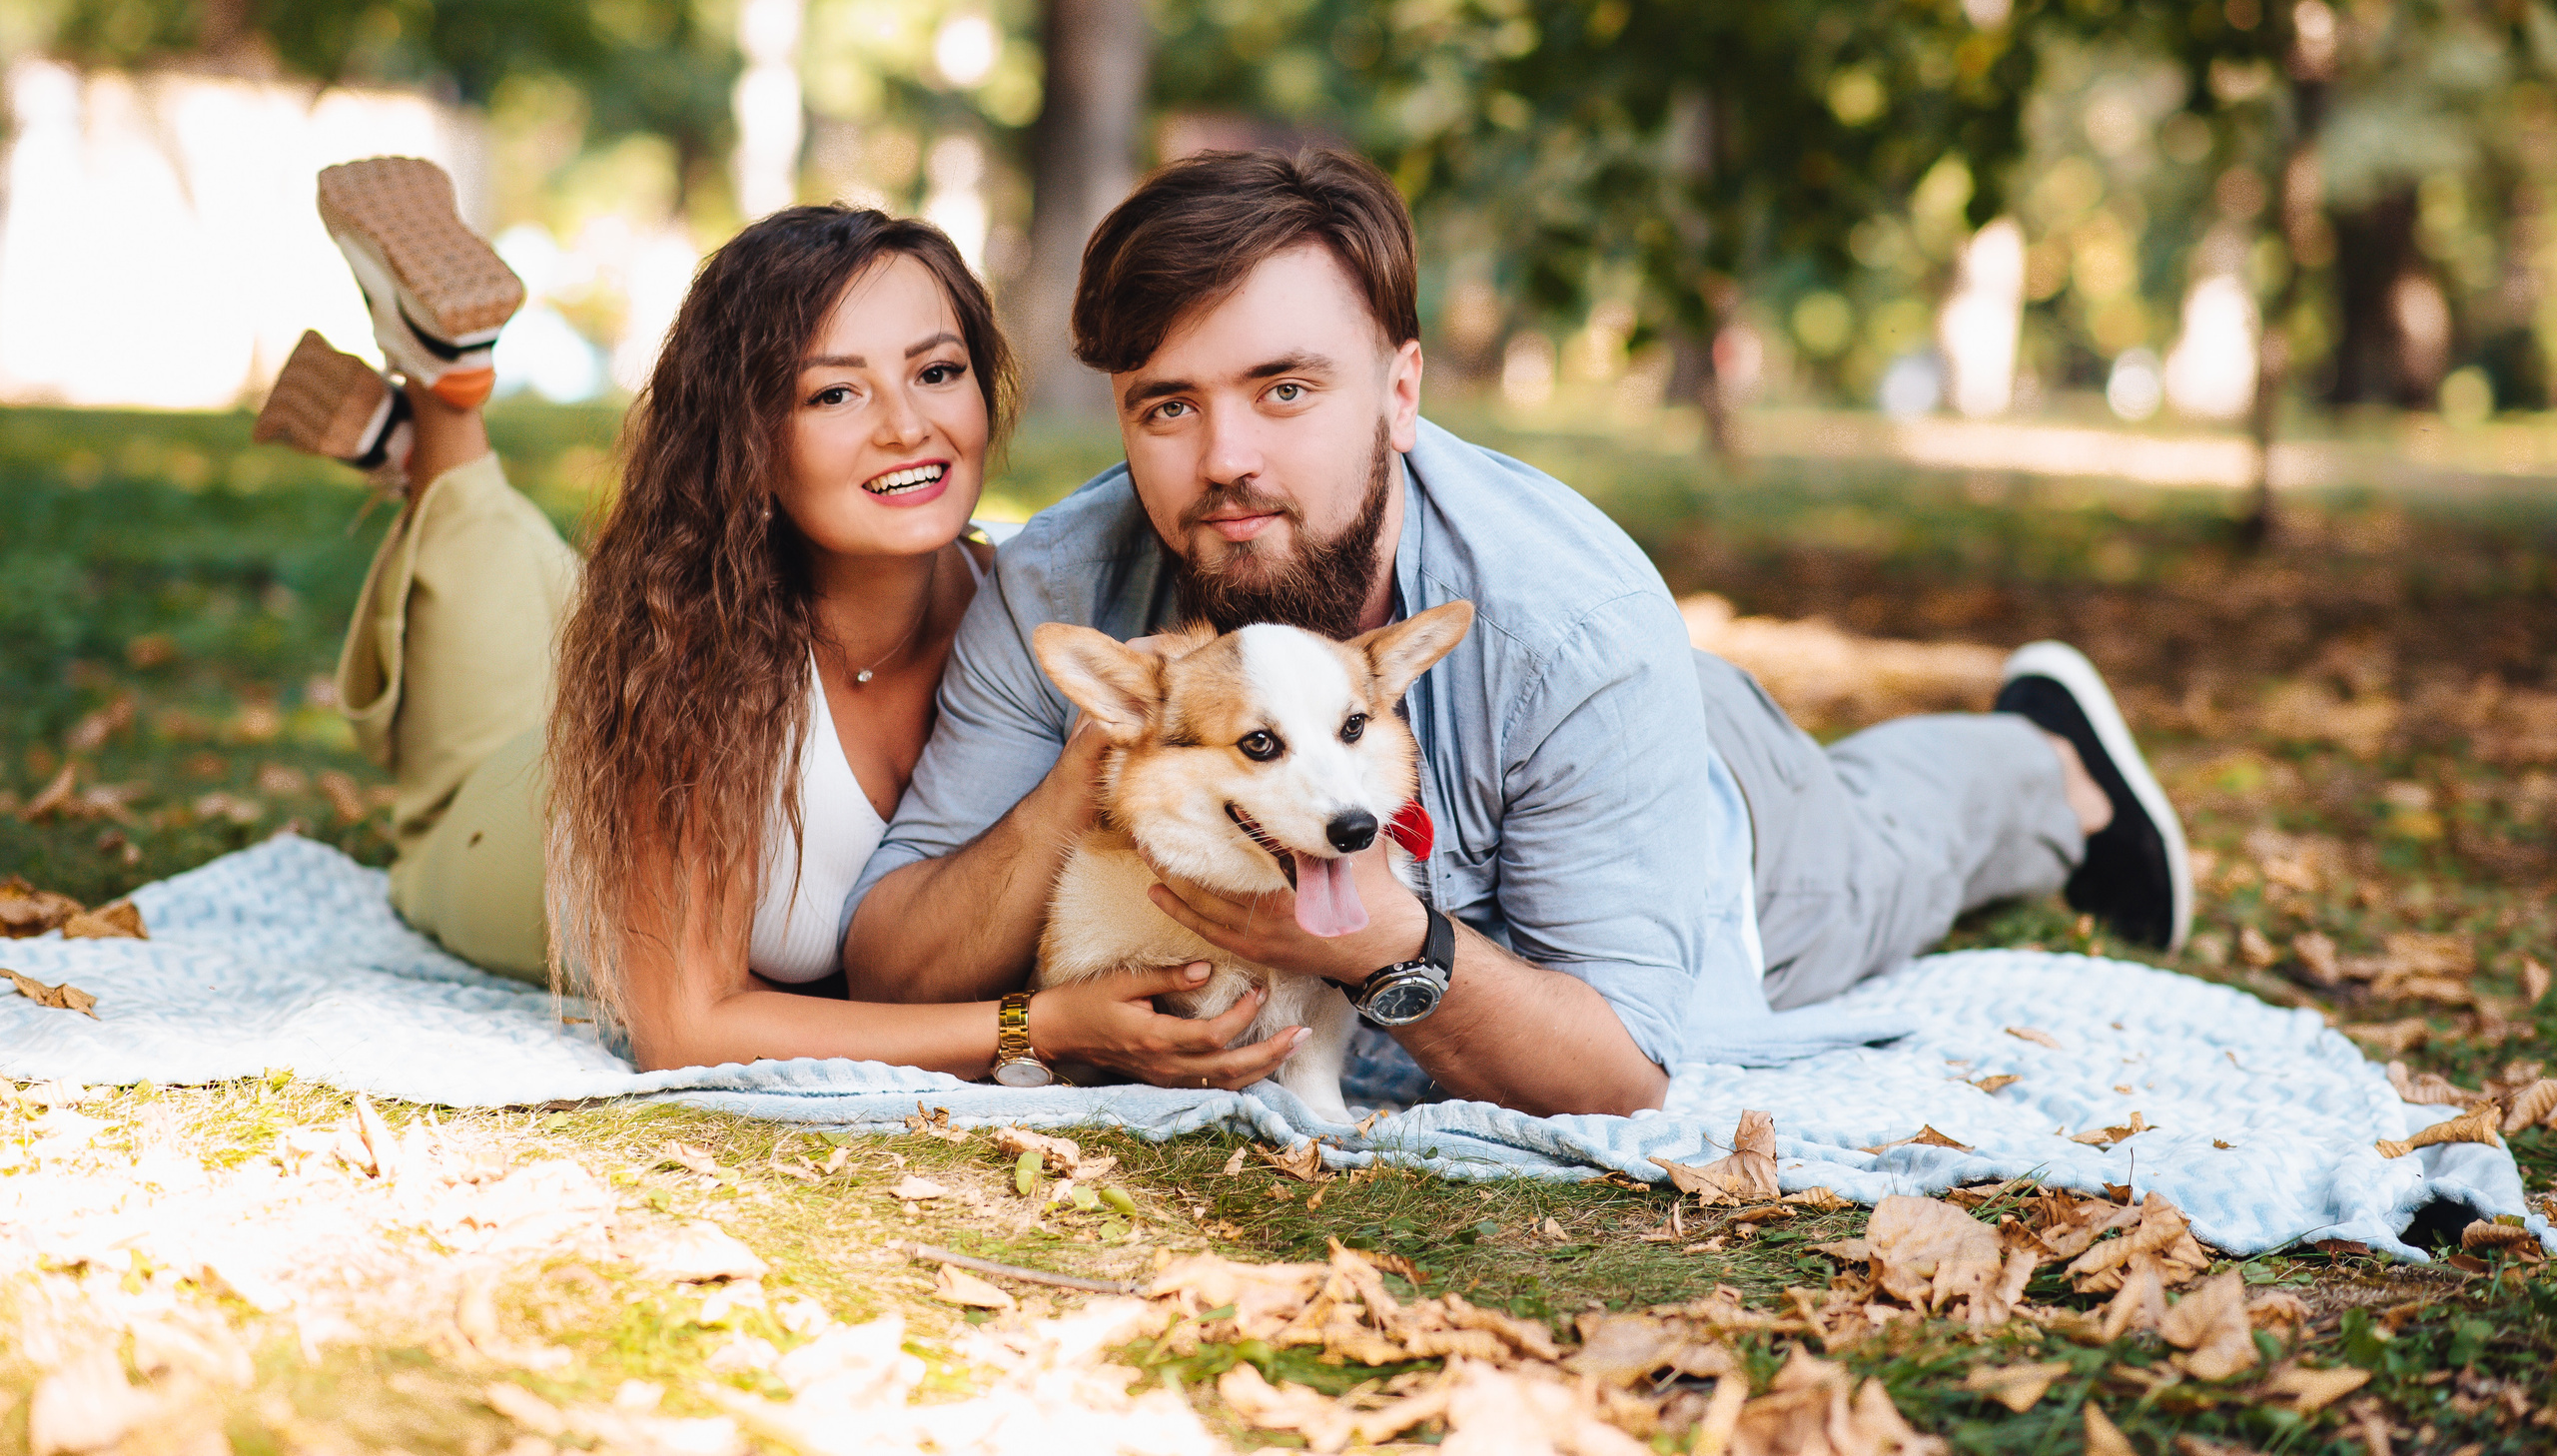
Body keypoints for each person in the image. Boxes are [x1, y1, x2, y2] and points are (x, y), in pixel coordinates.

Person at [844, 148, 2189, 1117]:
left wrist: (1384, 946)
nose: (1227, 460)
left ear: (1401, 392)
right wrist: (1088, 773)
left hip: (1726, 827)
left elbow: (1623, 1074)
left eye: (1286, 388)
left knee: (1893, 853)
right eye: (1168, 406)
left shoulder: (1575, 624)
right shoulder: (1064, 584)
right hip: (1556, 725)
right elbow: (893, 959)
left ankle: (2050, 761)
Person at [254, 159, 1310, 1084]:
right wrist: (1032, 1028)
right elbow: (686, 1026)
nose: (910, 427)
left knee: (558, 594)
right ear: (746, 441)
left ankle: (408, 444)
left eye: (937, 373)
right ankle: (448, 404)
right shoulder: (686, 658)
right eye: (833, 396)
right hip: (505, 834)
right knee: (457, 742)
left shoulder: (1048, 624)